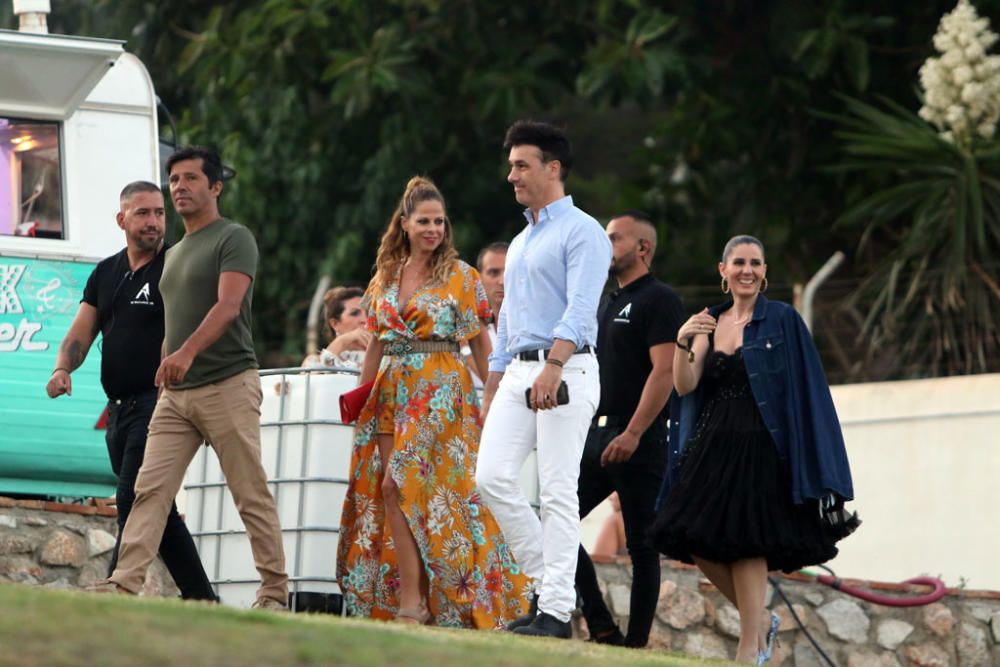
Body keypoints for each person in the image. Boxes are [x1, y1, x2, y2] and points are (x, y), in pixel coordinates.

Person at [649, 235, 858, 664]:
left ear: (765, 271)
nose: (748, 270)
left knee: (747, 542)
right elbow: (685, 385)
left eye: (756, 263)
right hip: (712, 446)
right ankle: (759, 621)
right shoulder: (707, 320)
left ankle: (749, 649)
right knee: (685, 531)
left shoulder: (782, 319)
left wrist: (810, 456)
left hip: (763, 444)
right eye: (739, 262)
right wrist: (684, 339)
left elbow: (807, 390)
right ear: (722, 271)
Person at [97, 146, 289, 611]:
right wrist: (168, 359)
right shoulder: (176, 251)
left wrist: (184, 352)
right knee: (150, 490)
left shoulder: (234, 238)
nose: (179, 187)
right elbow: (175, 321)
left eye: (190, 179)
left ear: (215, 186)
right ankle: (123, 583)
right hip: (176, 395)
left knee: (250, 493)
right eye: (174, 180)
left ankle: (274, 593)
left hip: (228, 383)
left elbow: (226, 306)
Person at [336, 176, 529, 628]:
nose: (433, 229)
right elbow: (377, 345)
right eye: (424, 221)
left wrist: (494, 397)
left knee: (402, 488)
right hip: (388, 391)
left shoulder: (462, 276)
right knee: (389, 491)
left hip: (440, 388)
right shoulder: (385, 276)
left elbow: (480, 344)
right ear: (403, 224)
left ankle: (413, 602)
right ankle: (415, 598)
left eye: (440, 222)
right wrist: (360, 399)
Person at [46, 181, 216, 601]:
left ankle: (116, 584)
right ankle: (202, 599)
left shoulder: (178, 265)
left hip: (160, 403)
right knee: (159, 510)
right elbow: (82, 331)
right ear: (122, 219)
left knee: (134, 496)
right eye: (143, 213)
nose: (154, 222)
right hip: (118, 410)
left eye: (160, 213)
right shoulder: (106, 271)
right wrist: (62, 368)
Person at [476, 120, 611, 639]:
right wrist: (494, 384)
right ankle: (554, 587)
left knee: (557, 491)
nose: (511, 175)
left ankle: (554, 610)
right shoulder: (520, 240)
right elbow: (507, 320)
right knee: (492, 478)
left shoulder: (584, 231)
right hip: (517, 371)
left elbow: (580, 311)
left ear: (552, 169)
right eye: (511, 166)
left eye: (521, 165)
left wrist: (553, 367)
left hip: (568, 367)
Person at [574, 211, 683, 647]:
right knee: (554, 520)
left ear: (643, 248)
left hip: (640, 439)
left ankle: (635, 646)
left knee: (641, 546)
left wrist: (634, 432)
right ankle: (601, 625)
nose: (606, 246)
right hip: (596, 436)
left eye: (615, 239)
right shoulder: (605, 300)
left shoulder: (660, 299)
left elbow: (665, 372)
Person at [463, 242, 507, 386]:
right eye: (493, 273)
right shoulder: (462, 327)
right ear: (479, 278)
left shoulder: (536, 332)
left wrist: (466, 351)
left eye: (509, 272)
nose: (502, 281)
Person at [302, 286, 369, 369]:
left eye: (368, 313)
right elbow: (314, 378)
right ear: (335, 323)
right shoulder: (313, 362)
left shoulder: (383, 357)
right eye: (354, 313)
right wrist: (342, 341)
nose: (365, 319)